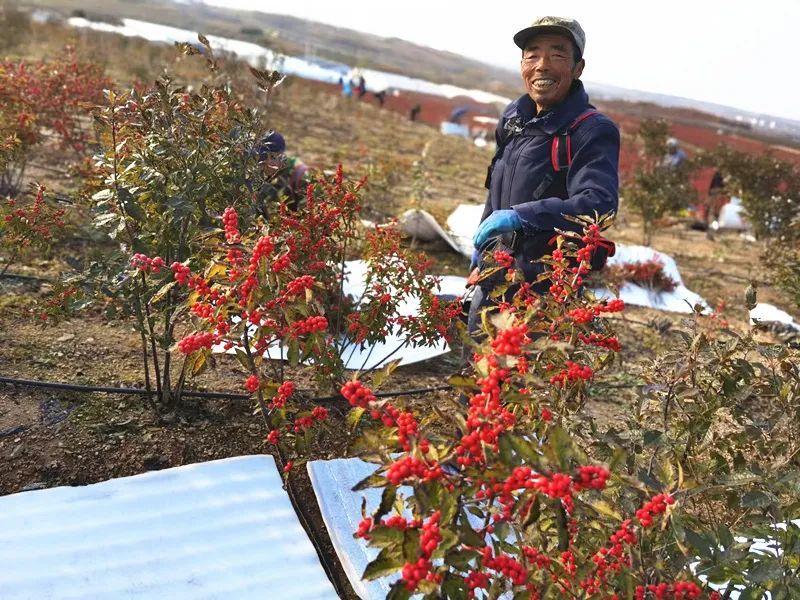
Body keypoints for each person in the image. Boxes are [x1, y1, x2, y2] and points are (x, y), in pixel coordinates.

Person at [468, 16, 620, 334]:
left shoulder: (591, 130)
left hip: (542, 289)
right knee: (477, 377)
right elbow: (495, 188)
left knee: (523, 380)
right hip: (493, 276)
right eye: (532, 54)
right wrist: (480, 248)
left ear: (578, 67)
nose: (542, 65)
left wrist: (522, 216)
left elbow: (599, 204)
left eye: (558, 54)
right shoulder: (513, 118)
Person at [250, 130, 309, 214]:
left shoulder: (284, 182)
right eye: (262, 157)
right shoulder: (266, 179)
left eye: (273, 157)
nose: (267, 162)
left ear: (282, 157)